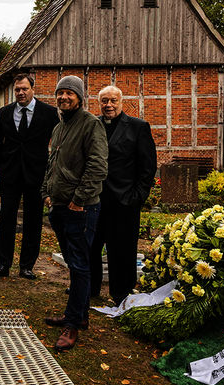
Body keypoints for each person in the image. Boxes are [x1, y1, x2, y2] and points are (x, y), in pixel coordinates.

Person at [41, 75, 107, 351]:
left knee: (80, 265)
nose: (63, 97)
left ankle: (73, 324)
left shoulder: (91, 125)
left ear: (80, 97)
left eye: (69, 93)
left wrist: (79, 200)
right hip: (58, 206)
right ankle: (77, 316)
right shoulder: (59, 128)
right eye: (60, 93)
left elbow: (98, 166)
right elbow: (52, 163)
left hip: (80, 208)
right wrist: (46, 191)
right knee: (73, 262)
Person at [0, 74, 59, 279]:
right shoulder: (5, 112)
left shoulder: (49, 113)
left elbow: (59, 143)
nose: (20, 92)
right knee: (6, 219)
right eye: (17, 89)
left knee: (33, 221)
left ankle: (27, 266)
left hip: (37, 175)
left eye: (24, 89)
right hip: (10, 174)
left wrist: (53, 171)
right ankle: (3, 265)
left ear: (32, 89)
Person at [90, 86, 156, 305]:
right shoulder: (94, 125)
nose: (108, 105)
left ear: (121, 102)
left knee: (123, 249)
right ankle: (90, 288)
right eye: (104, 101)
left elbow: (148, 167)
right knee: (91, 245)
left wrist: (137, 196)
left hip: (125, 200)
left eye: (113, 101)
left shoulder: (138, 127)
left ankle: (121, 293)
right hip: (95, 199)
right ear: (99, 103)